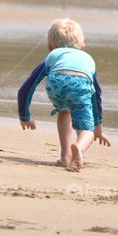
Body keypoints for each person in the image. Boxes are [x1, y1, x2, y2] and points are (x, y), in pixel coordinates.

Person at [17, 19, 109, 171]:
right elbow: (96, 95)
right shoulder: (88, 59)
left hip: (56, 85)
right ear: (82, 46)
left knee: (64, 110)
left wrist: (24, 115)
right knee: (87, 130)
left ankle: (65, 156)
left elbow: (27, 87)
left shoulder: (53, 55)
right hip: (80, 86)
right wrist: (98, 126)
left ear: (49, 46)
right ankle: (79, 148)